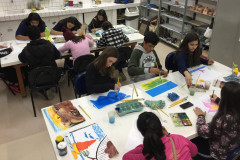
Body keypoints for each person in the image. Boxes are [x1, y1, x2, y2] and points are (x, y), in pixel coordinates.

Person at [193, 81, 240, 160]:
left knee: (192, 141)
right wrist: (218, 100)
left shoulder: (223, 120)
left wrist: (200, 116)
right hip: (233, 147)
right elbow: (232, 104)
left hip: (218, 155)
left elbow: (201, 131)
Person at [123, 112, 198, 160]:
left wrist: (145, 146)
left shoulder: (147, 155)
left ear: (143, 134)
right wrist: (169, 136)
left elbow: (125, 157)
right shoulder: (178, 138)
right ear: (161, 127)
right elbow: (194, 152)